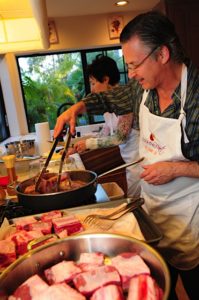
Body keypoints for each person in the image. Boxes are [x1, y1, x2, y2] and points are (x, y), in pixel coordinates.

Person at [54, 11, 199, 299]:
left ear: (162, 54)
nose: (130, 74)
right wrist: (76, 108)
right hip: (153, 217)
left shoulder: (195, 96)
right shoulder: (141, 90)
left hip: (193, 223)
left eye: (134, 65)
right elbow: (106, 97)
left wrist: (176, 169)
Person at [71, 54, 141, 197]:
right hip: (130, 163)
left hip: (140, 164)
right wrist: (79, 147)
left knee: (137, 202)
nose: (92, 89)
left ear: (106, 79)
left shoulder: (124, 101)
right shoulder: (108, 107)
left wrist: (89, 143)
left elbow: (120, 137)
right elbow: (106, 131)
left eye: (93, 83)